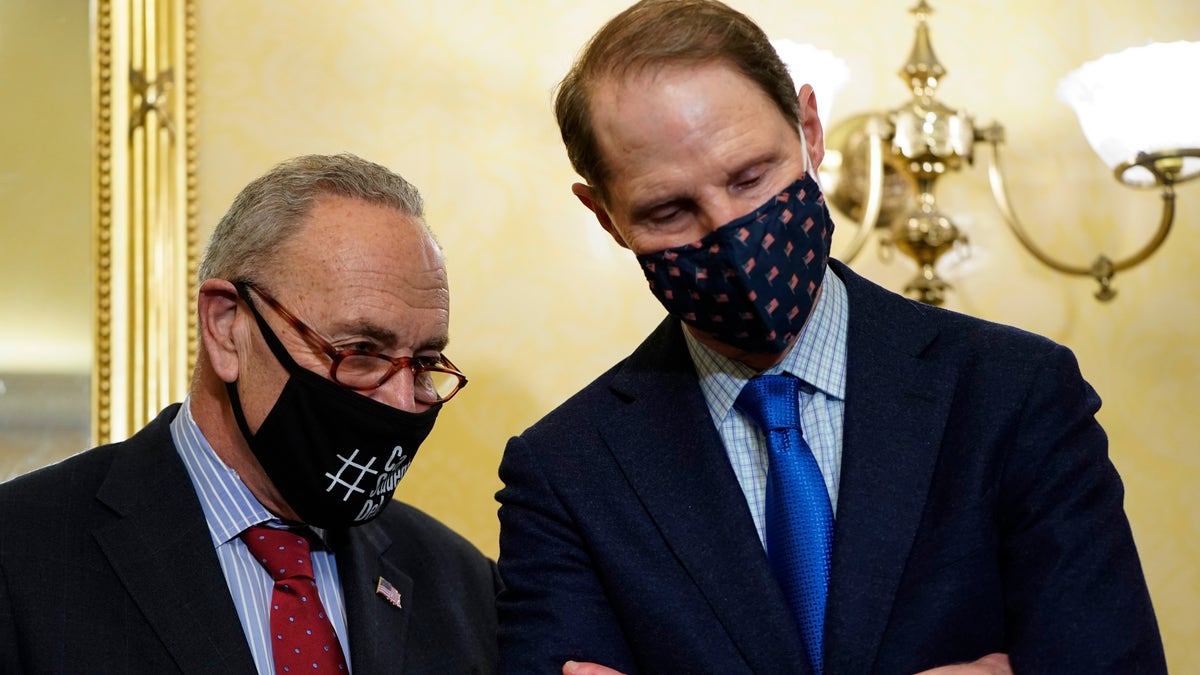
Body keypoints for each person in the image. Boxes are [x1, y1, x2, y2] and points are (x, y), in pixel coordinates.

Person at [495, 1, 1166, 674]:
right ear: (605, 215)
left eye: (750, 176)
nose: (730, 232)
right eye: (669, 210)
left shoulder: (1016, 394)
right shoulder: (563, 472)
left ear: (809, 130)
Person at [0, 153, 499, 673]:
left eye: (422, 364)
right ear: (226, 326)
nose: (401, 401)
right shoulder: (21, 555)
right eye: (361, 351)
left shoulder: (466, 588)